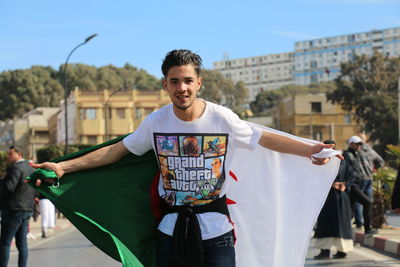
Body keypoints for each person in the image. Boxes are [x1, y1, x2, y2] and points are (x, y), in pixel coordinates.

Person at [32, 49, 342, 267]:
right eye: (175, 81)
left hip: (217, 232)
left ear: (198, 83)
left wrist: (309, 150)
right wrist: (62, 166)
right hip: (170, 232)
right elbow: (116, 152)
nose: (182, 88)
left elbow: (264, 138)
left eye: (188, 81)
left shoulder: (222, 119)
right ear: (165, 84)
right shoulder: (155, 122)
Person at [314, 140, 354, 259]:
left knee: (340, 224)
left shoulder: (343, 161)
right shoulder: (321, 161)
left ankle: (342, 251)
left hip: (340, 197)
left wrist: (345, 185)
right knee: (326, 223)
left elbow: (352, 177)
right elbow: (316, 178)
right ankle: (325, 251)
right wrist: (330, 184)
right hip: (327, 197)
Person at [0, 146, 36, 267]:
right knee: (22, 243)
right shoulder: (30, 168)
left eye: (10, 154)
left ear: (19, 154)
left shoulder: (15, 168)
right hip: (27, 209)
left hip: (13, 210)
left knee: (5, 243)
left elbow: (9, 187)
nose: (8, 156)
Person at [343, 136, 378, 236]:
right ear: (351, 144)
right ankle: (367, 230)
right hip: (352, 185)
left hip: (357, 184)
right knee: (367, 202)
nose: (359, 146)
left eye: (360, 144)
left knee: (350, 212)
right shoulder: (347, 155)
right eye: (357, 144)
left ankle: (345, 233)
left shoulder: (357, 154)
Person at [353, 133, 385, 227]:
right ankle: (368, 223)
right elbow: (381, 161)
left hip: (360, 179)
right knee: (368, 201)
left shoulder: (357, 150)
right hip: (369, 178)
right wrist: (374, 169)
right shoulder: (370, 150)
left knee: (358, 201)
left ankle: (360, 222)